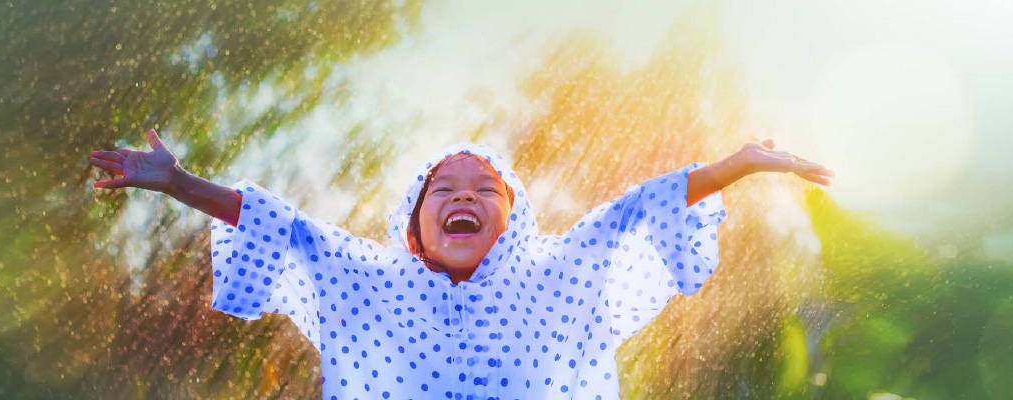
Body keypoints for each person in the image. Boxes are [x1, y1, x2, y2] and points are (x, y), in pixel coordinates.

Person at [89, 129, 832, 399]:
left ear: (512, 220)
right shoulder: (369, 278)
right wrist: (179, 183)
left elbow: (636, 211)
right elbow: (284, 229)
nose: (462, 197)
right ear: (415, 227)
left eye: (484, 190)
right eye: (442, 190)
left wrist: (735, 166)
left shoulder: (557, 274)